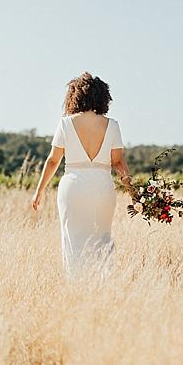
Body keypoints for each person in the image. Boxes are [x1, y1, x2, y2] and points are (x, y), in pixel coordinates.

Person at [31, 71, 133, 278]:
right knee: (102, 237)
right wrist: (134, 192)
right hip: (102, 186)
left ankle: (76, 285)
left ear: (74, 96)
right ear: (102, 96)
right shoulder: (112, 125)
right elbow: (118, 162)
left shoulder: (66, 123)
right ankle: (101, 283)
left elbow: (52, 160)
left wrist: (39, 191)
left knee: (73, 239)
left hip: (73, 186)